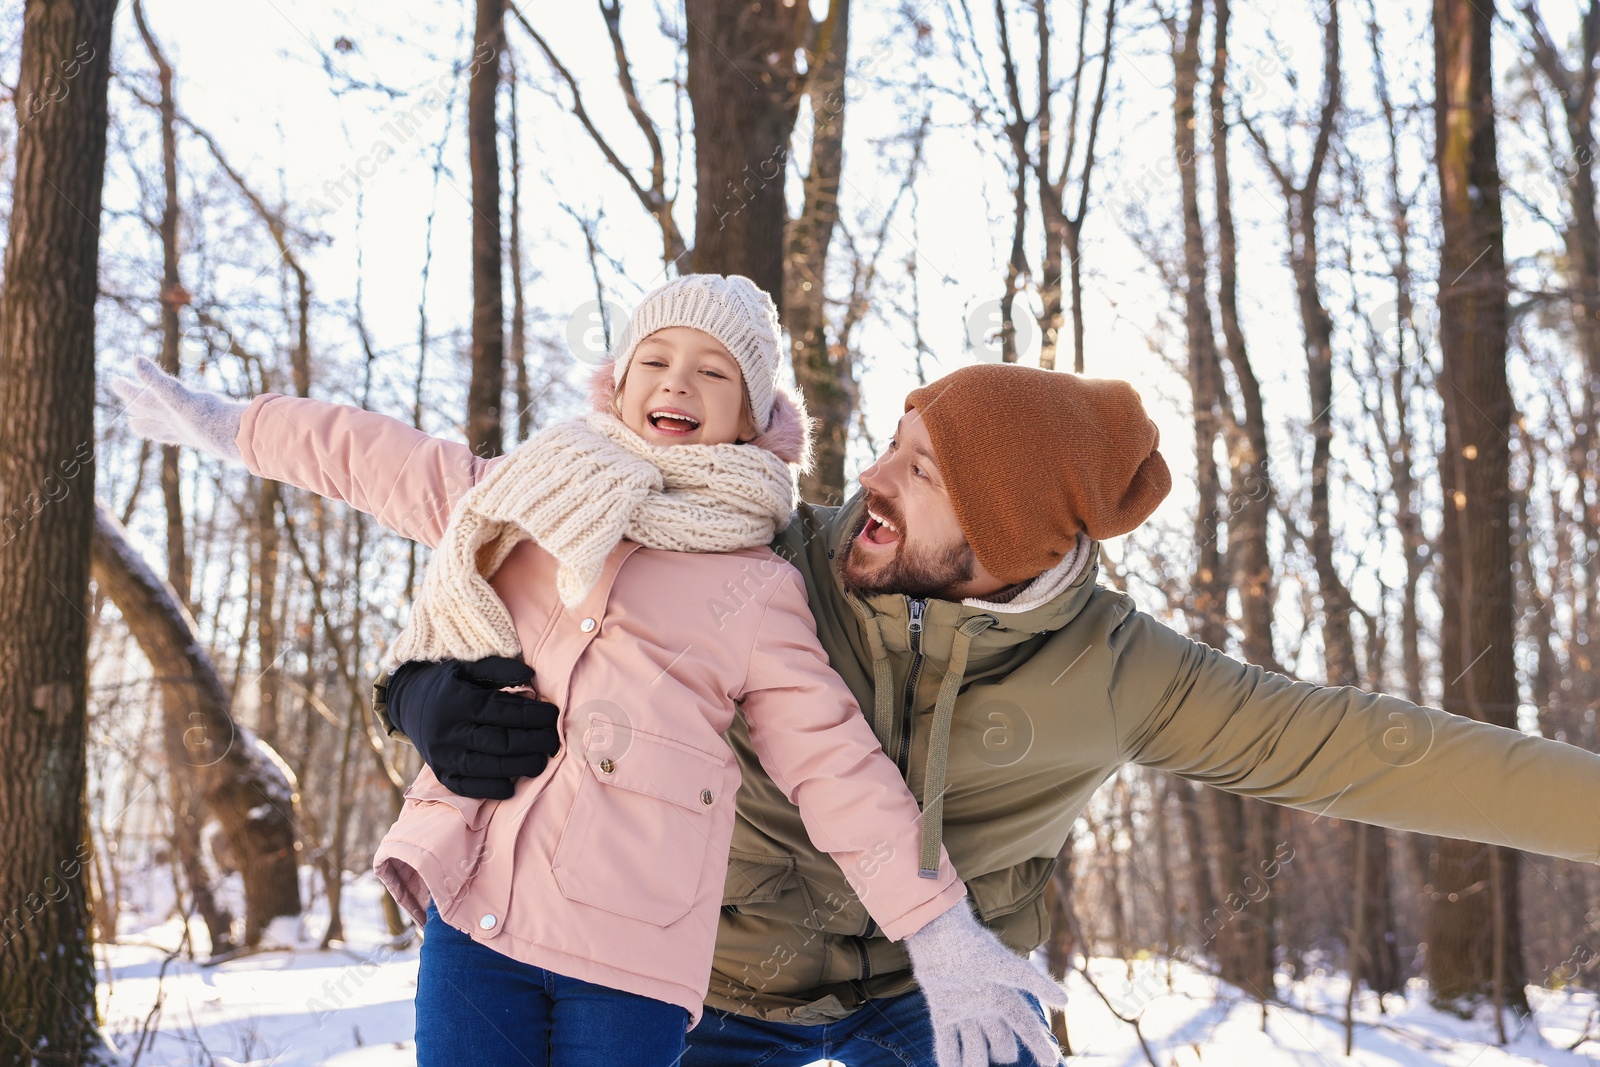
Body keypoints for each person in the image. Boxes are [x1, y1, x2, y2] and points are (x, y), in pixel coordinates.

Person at [387, 361, 1600, 1067]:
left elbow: (1368, 747)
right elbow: (516, 574)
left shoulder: (1118, 670)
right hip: (718, 981)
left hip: (949, 990)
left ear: (1015, 536)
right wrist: (415, 691)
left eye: (922, 472)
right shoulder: (759, 565)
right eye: (893, 445)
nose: (871, 478)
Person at [109, 276, 1066, 1067]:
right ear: (618, 384)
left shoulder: (758, 586)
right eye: (655, 358)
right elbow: (369, 455)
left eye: (711, 369)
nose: (676, 381)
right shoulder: (523, 494)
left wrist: (939, 929)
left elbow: (834, 764)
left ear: (751, 414)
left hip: (632, 952)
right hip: (478, 903)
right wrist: (228, 424)